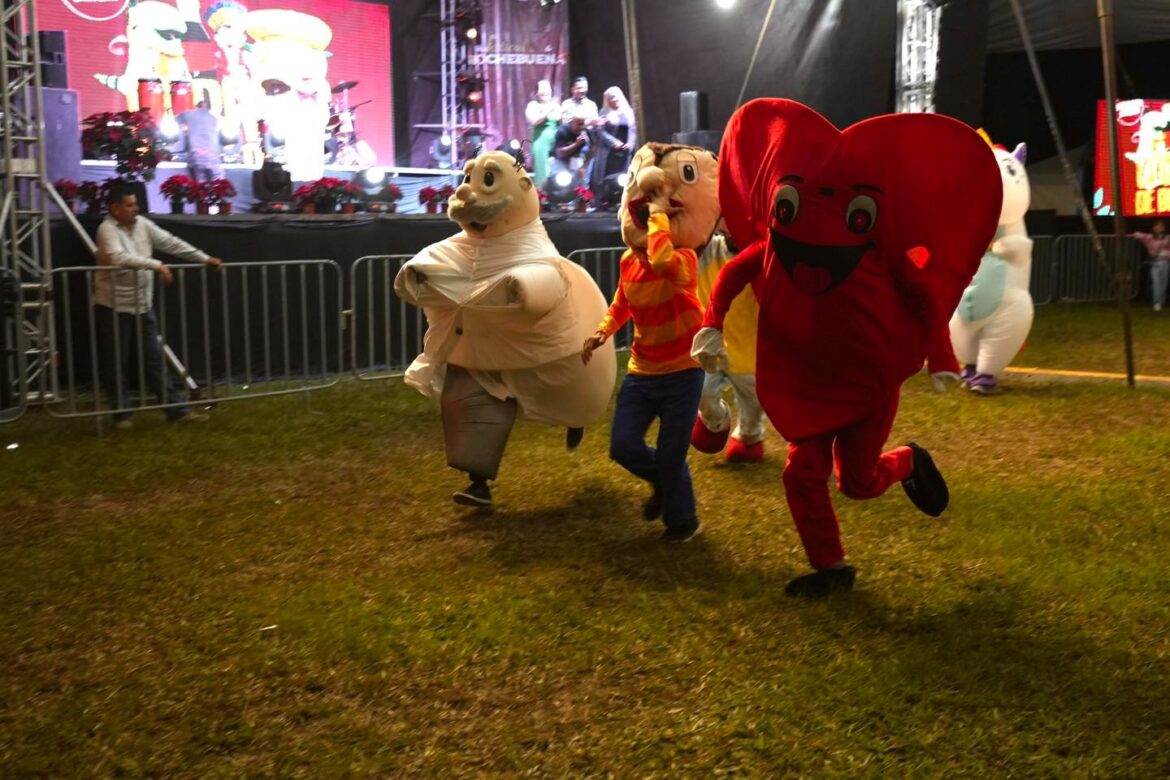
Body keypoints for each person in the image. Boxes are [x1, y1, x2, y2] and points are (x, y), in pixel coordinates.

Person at [582, 142, 721, 543]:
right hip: (642, 373)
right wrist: (601, 332)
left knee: (672, 454)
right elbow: (622, 304)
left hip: (682, 373)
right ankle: (663, 483)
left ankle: (683, 521)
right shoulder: (629, 262)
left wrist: (660, 212)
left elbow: (661, 261)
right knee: (623, 447)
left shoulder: (685, 259)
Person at [94, 184, 224, 428]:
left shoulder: (143, 225)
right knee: (116, 362)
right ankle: (122, 415)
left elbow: (171, 242)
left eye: (135, 204)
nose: (136, 208)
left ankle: (176, 411)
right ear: (115, 209)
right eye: (130, 205)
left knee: (154, 359)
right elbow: (117, 257)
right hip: (112, 306)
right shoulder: (106, 229)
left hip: (142, 305)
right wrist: (156, 265)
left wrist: (204, 258)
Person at [590, 86, 636, 191]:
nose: (613, 100)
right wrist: (614, 142)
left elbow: (633, 131)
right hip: (609, 152)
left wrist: (630, 144)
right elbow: (600, 131)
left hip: (624, 152)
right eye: (610, 98)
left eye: (615, 97)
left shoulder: (629, 111)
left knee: (623, 180)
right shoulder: (604, 112)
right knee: (607, 181)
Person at [524, 79, 560, 189]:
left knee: (556, 168)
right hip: (540, 141)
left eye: (547, 88)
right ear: (536, 92)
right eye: (542, 89)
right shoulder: (532, 105)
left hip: (555, 140)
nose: (545, 91)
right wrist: (547, 111)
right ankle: (542, 194)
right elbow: (534, 121)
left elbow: (559, 119)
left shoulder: (556, 105)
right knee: (542, 170)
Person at [177, 100, 224, 182]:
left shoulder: (190, 114)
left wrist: (185, 129)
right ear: (208, 109)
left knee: (200, 184)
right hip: (213, 155)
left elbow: (178, 119)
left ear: (197, 107)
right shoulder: (214, 118)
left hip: (197, 154)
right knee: (218, 182)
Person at [1133, 219, 1170, 311]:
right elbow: (1139, 235)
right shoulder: (1149, 238)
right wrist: (1136, 235)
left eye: (1161, 226)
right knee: (1156, 283)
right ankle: (1156, 302)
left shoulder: (1168, 238)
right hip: (1155, 263)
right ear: (1154, 228)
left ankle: (1161, 301)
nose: (1159, 228)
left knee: (1163, 283)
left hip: (1165, 262)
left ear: (1164, 228)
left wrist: (1166, 254)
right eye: (1157, 226)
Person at [550, 111, 593, 186]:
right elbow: (559, 153)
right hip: (559, 160)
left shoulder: (586, 132)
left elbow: (592, 150)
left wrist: (584, 167)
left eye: (582, 123)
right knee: (561, 184)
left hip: (575, 160)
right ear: (572, 122)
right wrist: (576, 144)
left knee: (581, 184)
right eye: (578, 123)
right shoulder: (563, 131)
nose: (581, 126)